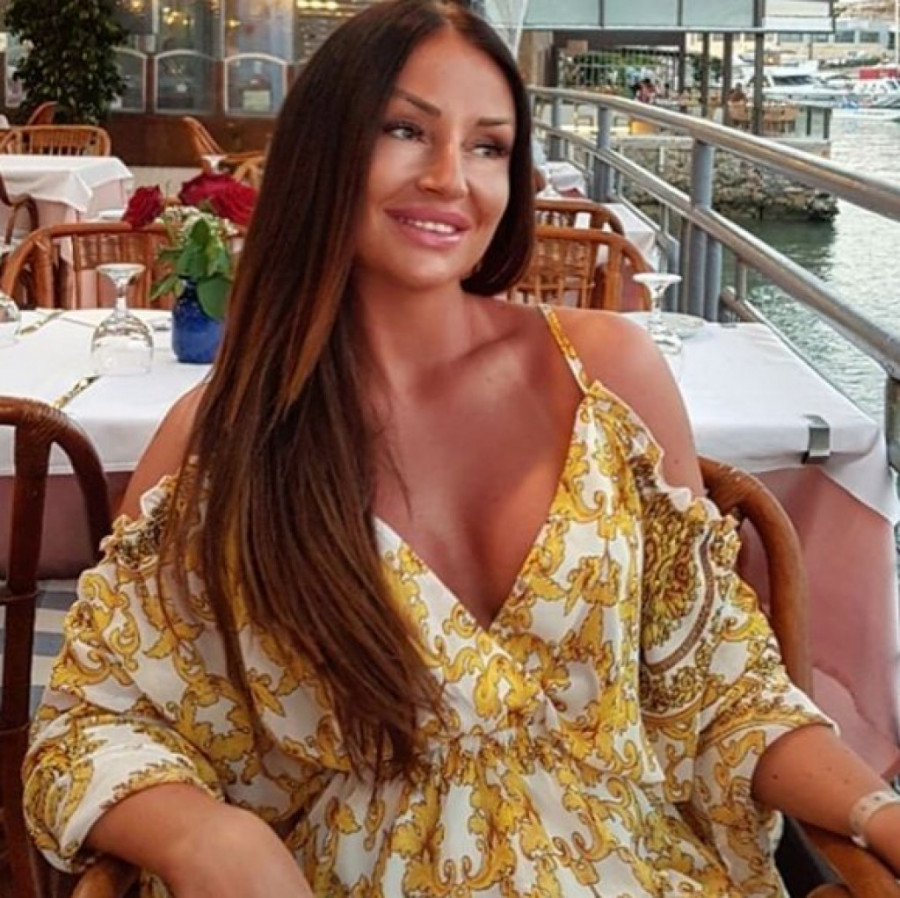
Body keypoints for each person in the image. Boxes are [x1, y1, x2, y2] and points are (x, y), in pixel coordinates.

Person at [24, 1, 900, 895]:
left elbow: (719, 685)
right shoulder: (230, 436)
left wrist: (876, 811)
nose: (451, 178)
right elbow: (89, 724)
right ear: (324, 150)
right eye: (406, 130)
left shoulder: (608, 379)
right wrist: (207, 837)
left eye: (488, 147)